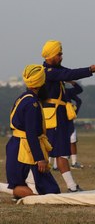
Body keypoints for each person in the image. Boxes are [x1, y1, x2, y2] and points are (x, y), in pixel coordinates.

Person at [42, 40, 95, 192]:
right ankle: (70, 187)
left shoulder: (54, 70)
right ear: (51, 55)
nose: (62, 57)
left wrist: (92, 69)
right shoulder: (48, 72)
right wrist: (92, 68)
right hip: (54, 118)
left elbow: (70, 72)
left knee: (62, 152)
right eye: (59, 54)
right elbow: (69, 74)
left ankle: (71, 186)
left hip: (59, 117)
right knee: (59, 153)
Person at [2, 64, 60, 199]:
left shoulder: (24, 97)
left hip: (17, 146)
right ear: (42, 82)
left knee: (53, 192)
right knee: (42, 195)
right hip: (25, 152)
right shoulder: (31, 104)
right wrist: (40, 159)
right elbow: (31, 133)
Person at [50, 81, 83, 170]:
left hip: (67, 121)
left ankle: (74, 162)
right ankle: (52, 164)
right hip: (53, 120)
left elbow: (79, 93)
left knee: (72, 140)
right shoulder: (49, 92)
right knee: (52, 142)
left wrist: (72, 82)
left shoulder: (66, 92)